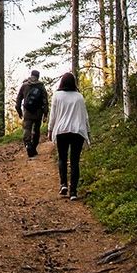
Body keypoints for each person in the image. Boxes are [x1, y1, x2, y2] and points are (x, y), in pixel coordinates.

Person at [47, 71, 90, 200]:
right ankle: (73, 192)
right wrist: (88, 132)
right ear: (74, 83)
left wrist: (50, 130)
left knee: (62, 158)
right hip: (77, 131)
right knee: (75, 161)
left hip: (62, 131)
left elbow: (53, 115)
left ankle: (63, 184)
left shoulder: (57, 96)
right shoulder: (79, 97)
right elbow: (85, 116)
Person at [15, 69, 48, 158]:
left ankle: (28, 145)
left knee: (27, 129)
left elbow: (18, 99)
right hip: (38, 112)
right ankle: (33, 147)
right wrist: (45, 114)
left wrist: (19, 111)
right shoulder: (41, 86)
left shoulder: (25, 85)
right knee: (36, 130)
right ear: (38, 76)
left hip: (27, 112)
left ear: (31, 75)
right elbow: (45, 100)